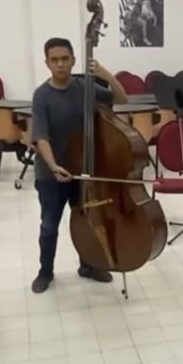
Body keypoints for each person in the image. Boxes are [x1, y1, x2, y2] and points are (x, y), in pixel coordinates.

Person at [30, 37, 128, 294]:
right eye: (54, 60)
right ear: (47, 63)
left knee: (87, 220)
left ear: (74, 60)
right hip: (51, 174)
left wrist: (105, 74)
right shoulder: (42, 95)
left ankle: (88, 265)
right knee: (49, 226)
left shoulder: (85, 88)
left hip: (83, 170)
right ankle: (45, 271)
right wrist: (54, 166)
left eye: (65, 59)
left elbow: (122, 99)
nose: (60, 64)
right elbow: (41, 138)